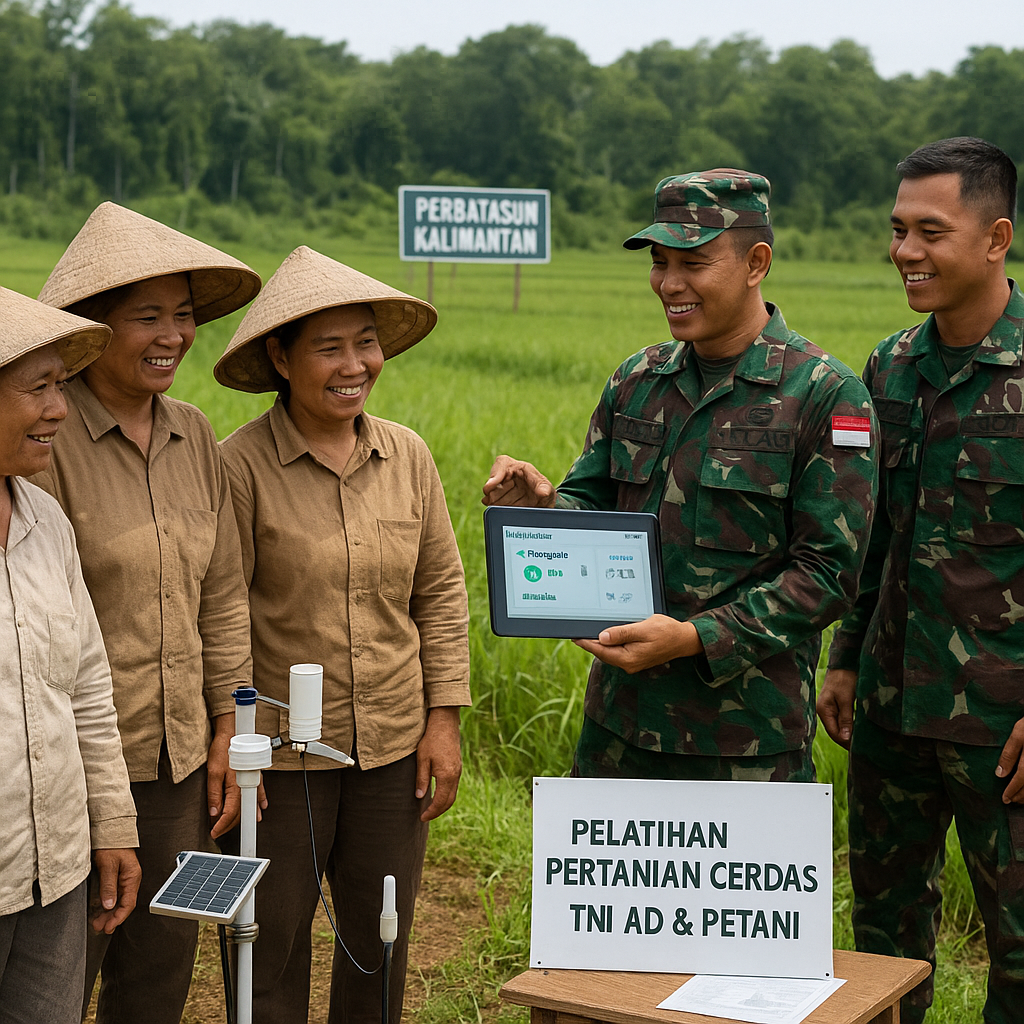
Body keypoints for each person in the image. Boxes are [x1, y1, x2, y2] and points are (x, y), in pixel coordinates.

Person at [484, 169, 878, 782]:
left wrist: (695, 638)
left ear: (756, 262)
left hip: (749, 741)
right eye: (660, 262)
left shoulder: (824, 395)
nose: (669, 284)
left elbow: (828, 573)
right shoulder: (637, 382)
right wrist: (544, 509)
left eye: (693, 263)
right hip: (620, 727)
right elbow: (593, 511)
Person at [214, 245, 470, 1023]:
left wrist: (444, 717)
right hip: (281, 757)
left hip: (392, 746)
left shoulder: (408, 456)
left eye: (366, 342)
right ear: (281, 358)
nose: (354, 363)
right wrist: (231, 735)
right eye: (329, 347)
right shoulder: (240, 467)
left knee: (380, 939)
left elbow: (440, 593)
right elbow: (222, 610)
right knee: (269, 940)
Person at [31, 202, 261, 1024]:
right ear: (93, 326)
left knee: (161, 970)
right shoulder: (44, 436)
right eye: (148, 317)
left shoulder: (195, 435)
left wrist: (232, 726)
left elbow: (222, 595)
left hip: (176, 765)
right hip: (77, 766)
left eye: (185, 316)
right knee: (57, 977)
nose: (173, 335)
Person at [820, 137, 1024, 1024]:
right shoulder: (890, 367)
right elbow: (875, 538)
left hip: (1002, 730)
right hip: (891, 709)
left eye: (929, 231)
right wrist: (843, 658)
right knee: (882, 943)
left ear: (996, 238)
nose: (905, 251)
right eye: (898, 229)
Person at [0, 287, 139, 1024]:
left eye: (63, 385)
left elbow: (86, 687)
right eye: (40, 389)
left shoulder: (44, 519)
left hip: (55, 873)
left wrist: (111, 825)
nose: (60, 409)